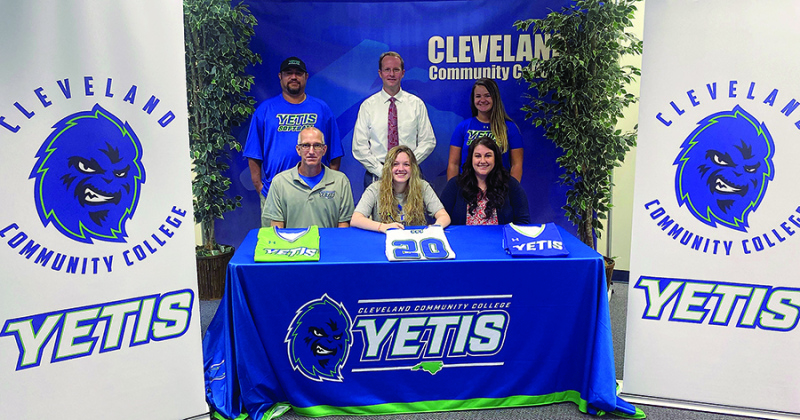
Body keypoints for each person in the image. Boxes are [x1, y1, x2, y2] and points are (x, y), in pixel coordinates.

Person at [244, 57, 344, 209]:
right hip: (275, 192)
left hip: (315, 192)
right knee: (274, 233)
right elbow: (254, 153)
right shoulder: (265, 110)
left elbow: (334, 152)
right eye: (288, 73)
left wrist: (328, 186)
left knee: (318, 233)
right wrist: (259, 187)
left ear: (306, 77)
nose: (293, 77)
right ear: (280, 77)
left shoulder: (321, 109)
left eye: (298, 73)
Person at [352, 51, 436, 189]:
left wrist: (406, 165)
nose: (391, 74)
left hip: (410, 175)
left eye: (396, 70)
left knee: (412, 211)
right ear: (380, 73)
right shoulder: (368, 106)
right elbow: (359, 147)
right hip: (377, 174)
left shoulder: (416, 104)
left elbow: (428, 141)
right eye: (387, 70)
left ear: (402, 73)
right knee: (377, 211)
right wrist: (383, 171)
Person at [262, 127, 354, 228]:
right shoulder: (280, 182)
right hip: (292, 244)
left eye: (317, 145)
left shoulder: (340, 181)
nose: (311, 151)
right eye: (306, 145)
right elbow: (276, 227)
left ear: (324, 150)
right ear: (298, 150)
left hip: (328, 243)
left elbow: (343, 226)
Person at [351, 145, 450, 232]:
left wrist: (435, 228)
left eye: (406, 164)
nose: (401, 169)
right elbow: (356, 219)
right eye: (395, 164)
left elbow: (444, 216)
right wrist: (382, 227)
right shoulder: (375, 188)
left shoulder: (423, 187)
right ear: (388, 168)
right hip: (384, 240)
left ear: (413, 168)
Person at [447, 78, 523, 182]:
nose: (482, 100)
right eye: (478, 96)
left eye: (487, 95)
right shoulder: (463, 127)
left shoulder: (510, 128)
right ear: (473, 100)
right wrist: (452, 192)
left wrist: (513, 192)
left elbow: (516, 165)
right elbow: (453, 164)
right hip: (468, 189)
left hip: (499, 190)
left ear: (495, 98)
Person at [441, 136, 530, 225]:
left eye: (488, 156)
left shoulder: (511, 185)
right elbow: (443, 219)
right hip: (462, 238)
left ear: (495, 158)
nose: (482, 161)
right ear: (471, 159)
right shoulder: (455, 185)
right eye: (478, 156)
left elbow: (523, 222)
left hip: (500, 238)